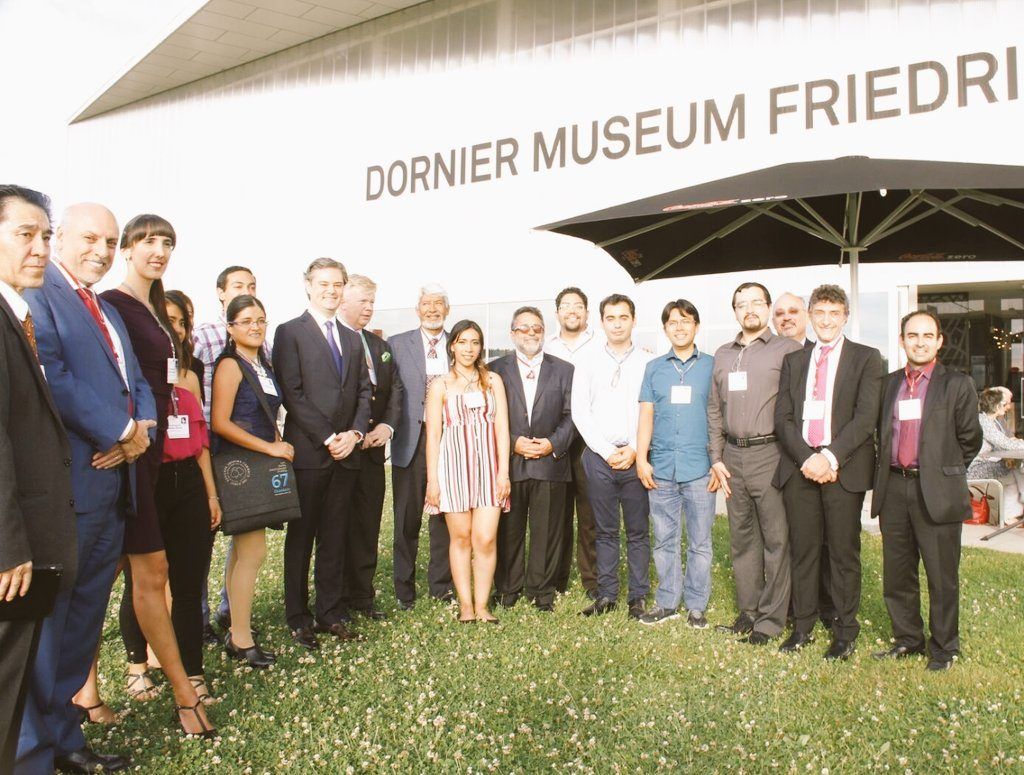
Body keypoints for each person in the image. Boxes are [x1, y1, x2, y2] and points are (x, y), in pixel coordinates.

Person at [21, 201, 156, 773]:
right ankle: (32, 749)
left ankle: (64, 738)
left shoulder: (103, 307)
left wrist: (140, 431)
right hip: (70, 491)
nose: (100, 251)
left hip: (111, 491)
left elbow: (137, 382)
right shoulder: (39, 294)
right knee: (49, 630)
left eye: (109, 241)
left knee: (82, 626)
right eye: (89, 239)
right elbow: (51, 376)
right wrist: (121, 431)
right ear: (60, 239)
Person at [101, 215, 215, 736]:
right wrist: (115, 433)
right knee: (112, 578)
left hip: (163, 457)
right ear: (126, 248)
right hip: (131, 455)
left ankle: (183, 684)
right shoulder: (113, 304)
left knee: (159, 573)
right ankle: (100, 687)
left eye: (167, 242)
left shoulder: (154, 308)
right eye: (148, 240)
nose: (159, 250)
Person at [0, 186, 76, 775]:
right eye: (25, 234)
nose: (41, 248)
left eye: (46, 235)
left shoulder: (17, 316)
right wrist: (8, 546)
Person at [115, 291, 222, 705]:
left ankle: (194, 673)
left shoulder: (189, 379)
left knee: (189, 584)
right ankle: (137, 666)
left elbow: (201, 444)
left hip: (189, 483)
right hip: (150, 479)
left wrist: (211, 494)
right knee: (142, 580)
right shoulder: (135, 378)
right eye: (168, 321)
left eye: (181, 322)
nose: (175, 329)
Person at [773, 285, 883, 661]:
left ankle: (844, 631)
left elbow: (865, 418)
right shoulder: (795, 361)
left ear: (845, 317)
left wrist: (830, 458)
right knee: (803, 551)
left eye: (834, 313)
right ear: (810, 315)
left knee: (842, 553)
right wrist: (807, 458)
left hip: (843, 470)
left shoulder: (866, 358)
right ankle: (802, 626)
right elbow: (783, 418)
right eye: (819, 312)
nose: (826, 320)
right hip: (801, 467)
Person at [872, 310, 982, 671]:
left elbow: (970, 439)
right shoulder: (889, 384)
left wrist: (941, 473)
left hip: (936, 491)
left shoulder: (957, 384)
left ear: (939, 342)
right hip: (893, 488)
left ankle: (944, 648)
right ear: (902, 340)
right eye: (912, 335)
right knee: (897, 573)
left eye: (927, 336)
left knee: (941, 576)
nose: (919, 342)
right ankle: (908, 639)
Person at [273, 258, 371, 649]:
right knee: (302, 538)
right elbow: (292, 393)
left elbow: (364, 391)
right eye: (324, 284)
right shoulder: (289, 332)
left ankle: (331, 612)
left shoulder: (351, 337)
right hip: (311, 453)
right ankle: (298, 617)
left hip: (347, 453)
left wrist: (355, 434)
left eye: (337, 284)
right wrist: (330, 436)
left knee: (334, 536)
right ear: (308, 285)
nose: (331, 291)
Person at [708, 282, 803, 645]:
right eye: (741, 304)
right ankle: (748, 612)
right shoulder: (722, 354)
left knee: (776, 539)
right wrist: (716, 457)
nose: (749, 309)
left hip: (771, 453)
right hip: (733, 456)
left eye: (756, 303)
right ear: (734, 311)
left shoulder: (787, 349)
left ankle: (771, 621)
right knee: (742, 538)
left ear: (767, 307)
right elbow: (714, 410)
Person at [211, 294, 291, 668]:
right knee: (254, 553)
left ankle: (235, 629)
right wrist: (270, 447)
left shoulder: (262, 364)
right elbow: (220, 423)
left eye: (260, 320)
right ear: (230, 328)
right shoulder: (231, 365)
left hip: (258, 462)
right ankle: (242, 639)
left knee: (244, 553)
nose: (255, 327)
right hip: (239, 467)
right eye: (246, 321)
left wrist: (275, 444)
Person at [571, 294, 654, 619]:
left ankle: (638, 596)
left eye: (623, 317)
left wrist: (634, 448)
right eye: (610, 318)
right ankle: (606, 594)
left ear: (633, 320)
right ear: (601, 322)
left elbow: (650, 410)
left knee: (637, 530)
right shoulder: (588, 361)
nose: (617, 324)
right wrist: (606, 451)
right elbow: (581, 412)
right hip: (599, 456)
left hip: (636, 455)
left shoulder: (648, 362)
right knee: (604, 530)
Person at [635, 299, 716, 628]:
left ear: (696, 326)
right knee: (664, 540)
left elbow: (720, 417)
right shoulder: (654, 368)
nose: (679, 327)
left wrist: (718, 462)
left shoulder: (712, 366)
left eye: (686, 321)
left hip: (700, 469)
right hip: (662, 468)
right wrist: (642, 459)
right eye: (673, 322)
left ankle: (696, 605)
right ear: (665, 328)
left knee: (700, 542)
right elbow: (646, 415)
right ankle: (667, 602)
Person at [425, 320, 511, 623]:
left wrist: (504, 473)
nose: (468, 348)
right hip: (453, 469)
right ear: (452, 346)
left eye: (474, 342)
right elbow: (433, 435)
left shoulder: (493, 381)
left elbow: (502, 428)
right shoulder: (440, 385)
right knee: (460, 538)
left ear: (481, 347)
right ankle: (465, 605)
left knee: (485, 538)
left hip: (489, 468)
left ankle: (483, 604)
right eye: (462, 342)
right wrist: (433, 481)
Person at [489, 307, 575, 611]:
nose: (530, 333)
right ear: (512, 333)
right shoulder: (494, 370)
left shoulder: (564, 370)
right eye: (523, 328)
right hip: (509, 465)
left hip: (550, 464)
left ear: (544, 332)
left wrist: (551, 444)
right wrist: (513, 443)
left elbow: (572, 416)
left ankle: (542, 591)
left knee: (548, 531)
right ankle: (508, 588)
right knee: (508, 530)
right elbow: (489, 416)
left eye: (536, 327)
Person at [192, 265, 260, 639]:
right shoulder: (204, 335)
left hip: (243, 453)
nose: (244, 289)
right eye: (237, 285)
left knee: (243, 537)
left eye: (251, 285)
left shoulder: (260, 341)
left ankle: (230, 610)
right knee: (203, 535)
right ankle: (198, 616)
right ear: (221, 292)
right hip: (208, 445)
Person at [339, 274, 403, 620]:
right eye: (363, 301)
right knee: (337, 527)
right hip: (340, 452)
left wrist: (387, 426)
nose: (369, 308)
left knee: (367, 526)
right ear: (343, 300)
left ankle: (362, 596)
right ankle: (334, 598)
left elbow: (395, 391)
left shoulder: (379, 347)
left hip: (373, 453)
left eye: (372, 302)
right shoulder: (333, 342)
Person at [390, 285, 454, 608]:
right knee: (406, 519)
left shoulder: (459, 343)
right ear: (417, 310)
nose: (432, 309)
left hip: (450, 442)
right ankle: (404, 590)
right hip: (411, 442)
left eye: (438, 304)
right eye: (426, 304)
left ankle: (441, 587)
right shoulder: (397, 344)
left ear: (447, 309)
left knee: (445, 517)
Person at [545, 287, 602, 599]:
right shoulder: (547, 345)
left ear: (586, 313)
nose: (572, 311)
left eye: (578, 306)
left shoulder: (600, 343)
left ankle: (592, 580)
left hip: (589, 438)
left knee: (590, 513)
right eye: (566, 305)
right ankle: (556, 578)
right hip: (556, 436)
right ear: (557, 313)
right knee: (557, 513)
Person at [967, 387, 1024, 521]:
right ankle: (1009, 516)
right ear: (997, 406)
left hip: (984, 463)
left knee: (1017, 472)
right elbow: (1005, 443)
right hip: (975, 468)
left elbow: (1006, 441)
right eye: (1005, 404)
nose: (1008, 407)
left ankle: (1011, 514)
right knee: (1014, 473)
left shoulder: (992, 421)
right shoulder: (983, 421)